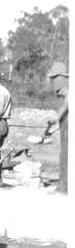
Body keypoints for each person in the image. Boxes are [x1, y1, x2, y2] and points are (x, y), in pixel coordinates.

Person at [47, 62, 68, 194]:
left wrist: (57, 117)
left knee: (66, 156)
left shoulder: (64, 85)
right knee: (65, 155)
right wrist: (54, 128)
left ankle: (63, 188)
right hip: (65, 123)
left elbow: (69, 100)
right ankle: (63, 186)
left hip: (68, 124)